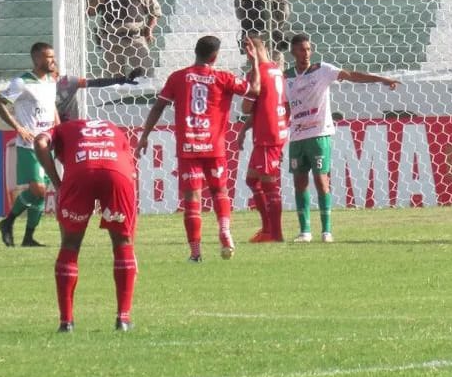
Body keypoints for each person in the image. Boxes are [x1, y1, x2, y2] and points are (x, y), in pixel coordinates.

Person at [136, 36, 261, 261]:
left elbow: (158, 107)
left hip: (188, 147)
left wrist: (145, 135)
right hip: (214, 147)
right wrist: (254, 62)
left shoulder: (178, 77)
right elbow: (255, 90)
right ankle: (224, 230)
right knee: (219, 192)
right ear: (215, 56)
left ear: (195, 51)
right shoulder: (223, 77)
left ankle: (195, 253)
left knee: (192, 198)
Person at [285, 33, 400, 242]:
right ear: (293, 51)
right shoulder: (287, 77)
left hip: (319, 134)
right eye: (302, 49)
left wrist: (382, 79)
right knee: (299, 183)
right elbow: (284, 107)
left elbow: (351, 75)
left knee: (321, 181)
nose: (307, 53)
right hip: (296, 136)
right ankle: (305, 232)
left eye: (309, 49)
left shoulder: (322, 70)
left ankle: (326, 231)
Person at [34, 119, 138, 332]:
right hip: (117, 173)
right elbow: (131, 169)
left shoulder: (61, 128)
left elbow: (40, 142)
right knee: (123, 244)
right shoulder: (113, 127)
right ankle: (124, 319)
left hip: (81, 174)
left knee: (70, 245)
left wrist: (57, 182)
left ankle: (66, 322)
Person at [0, 42, 59, 248]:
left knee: (41, 192)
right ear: (37, 59)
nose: (52, 60)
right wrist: (19, 128)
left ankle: (28, 238)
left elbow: (51, 106)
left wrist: (58, 127)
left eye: (53, 56)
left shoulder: (51, 80)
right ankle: (9, 221)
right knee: (38, 189)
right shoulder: (21, 82)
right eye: (48, 57)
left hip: (48, 142)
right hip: (29, 144)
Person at [234, 35, 289, 242]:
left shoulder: (257, 74)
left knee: (269, 184)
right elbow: (267, 106)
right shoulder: (277, 71)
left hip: (267, 135)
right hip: (273, 131)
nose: (246, 58)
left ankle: (275, 234)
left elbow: (247, 107)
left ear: (252, 50)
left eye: (246, 52)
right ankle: (267, 229)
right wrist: (243, 131)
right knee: (252, 179)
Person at [87, 0, 162, 76]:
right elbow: (90, 12)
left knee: (146, 74)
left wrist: (149, 30)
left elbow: (155, 11)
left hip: (135, 37)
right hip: (111, 38)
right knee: (112, 80)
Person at [55, 67, 145, 122]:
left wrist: (119, 80)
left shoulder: (67, 81)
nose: (54, 65)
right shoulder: (41, 88)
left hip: (70, 128)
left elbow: (96, 82)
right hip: (49, 128)